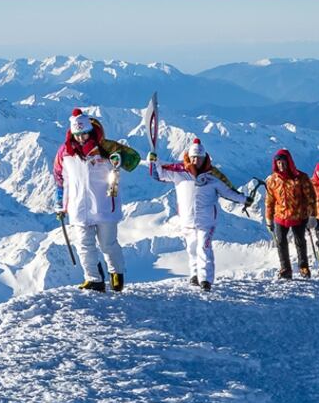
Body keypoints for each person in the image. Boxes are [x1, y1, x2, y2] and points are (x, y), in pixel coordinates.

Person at [53, 108, 141, 292]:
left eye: (84, 134)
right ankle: (94, 279)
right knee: (84, 245)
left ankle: (116, 272)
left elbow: (132, 160)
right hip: (78, 206)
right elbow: (59, 178)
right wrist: (60, 203)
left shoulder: (104, 147)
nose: (81, 138)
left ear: (90, 131)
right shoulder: (65, 153)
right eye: (78, 135)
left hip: (104, 205)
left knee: (108, 244)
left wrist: (119, 157)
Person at [148, 138, 252, 291]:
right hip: (187, 220)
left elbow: (228, 192)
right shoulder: (179, 174)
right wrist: (153, 161)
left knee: (204, 247)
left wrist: (244, 199)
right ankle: (195, 275)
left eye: (199, 157)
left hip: (207, 220)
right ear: (189, 157)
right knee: (192, 248)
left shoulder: (212, 177)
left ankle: (206, 280)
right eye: (193, 157)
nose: (196, 160)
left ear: (204, 158)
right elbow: (158, 175)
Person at [265, 149, 316, 278]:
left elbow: (310, 197)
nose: (281, 165)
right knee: (281, 242)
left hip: (299, 215)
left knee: (300, 241)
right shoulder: (272, 180)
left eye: (283, 162)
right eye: (278, 163)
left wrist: (312, 216)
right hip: (280, 216)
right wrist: (268, 218)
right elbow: (270, 200)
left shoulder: (301, 178)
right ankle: (285, 269)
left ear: (289, 162)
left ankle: (303, 267)